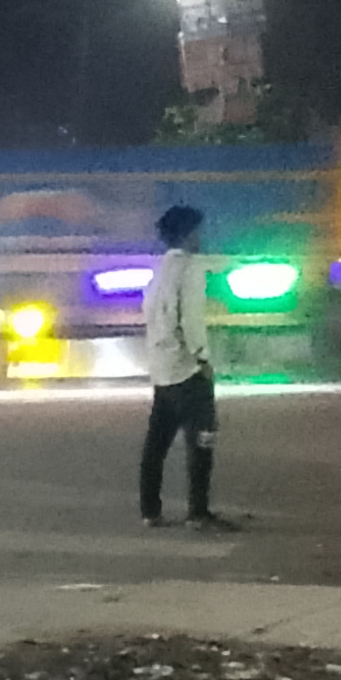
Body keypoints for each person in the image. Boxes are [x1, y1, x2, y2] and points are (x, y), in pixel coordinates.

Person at [138, 202, 235, 530]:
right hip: (186, 368)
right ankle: (198, 512)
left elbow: (152, 315)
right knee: (202, 439)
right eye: (197, 231)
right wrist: (202, 356)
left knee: (157, 443)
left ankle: (150, 510)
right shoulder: (191, 269)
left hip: (162, 369)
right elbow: (191, 318)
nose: (200, 237)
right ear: (188, 233)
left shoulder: (160, 270)